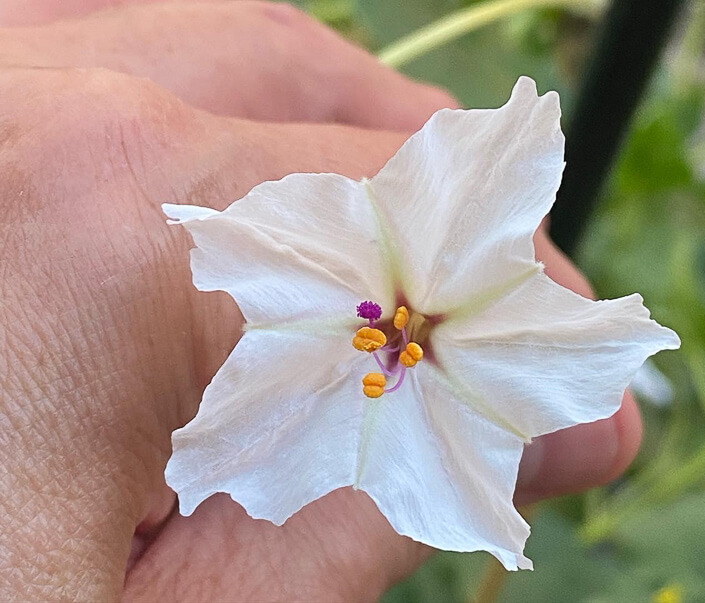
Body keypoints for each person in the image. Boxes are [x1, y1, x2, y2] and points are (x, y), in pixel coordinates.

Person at [0, 2, 643, 600]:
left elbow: (469, 481)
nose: (394, 338)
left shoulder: (398, 340)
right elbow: (250, 244)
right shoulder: (377, 322)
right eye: (398, 337)